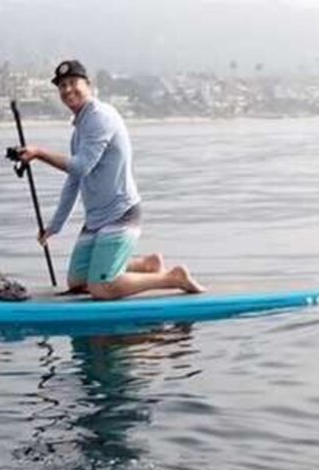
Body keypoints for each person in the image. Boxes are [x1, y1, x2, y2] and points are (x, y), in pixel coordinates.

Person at [17, 59, 204, 300]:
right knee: (78, 282)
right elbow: (74, 180)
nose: (67, 90)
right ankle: (146, 265)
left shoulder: (100, 117)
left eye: (73, 83)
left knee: (101, 288)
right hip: (96, 220)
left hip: (120, 214)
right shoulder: (79, 129)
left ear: (88, 84)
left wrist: (39, 153)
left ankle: (173, 278)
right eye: (62, 85)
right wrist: (55, 226)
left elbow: (81, 166)